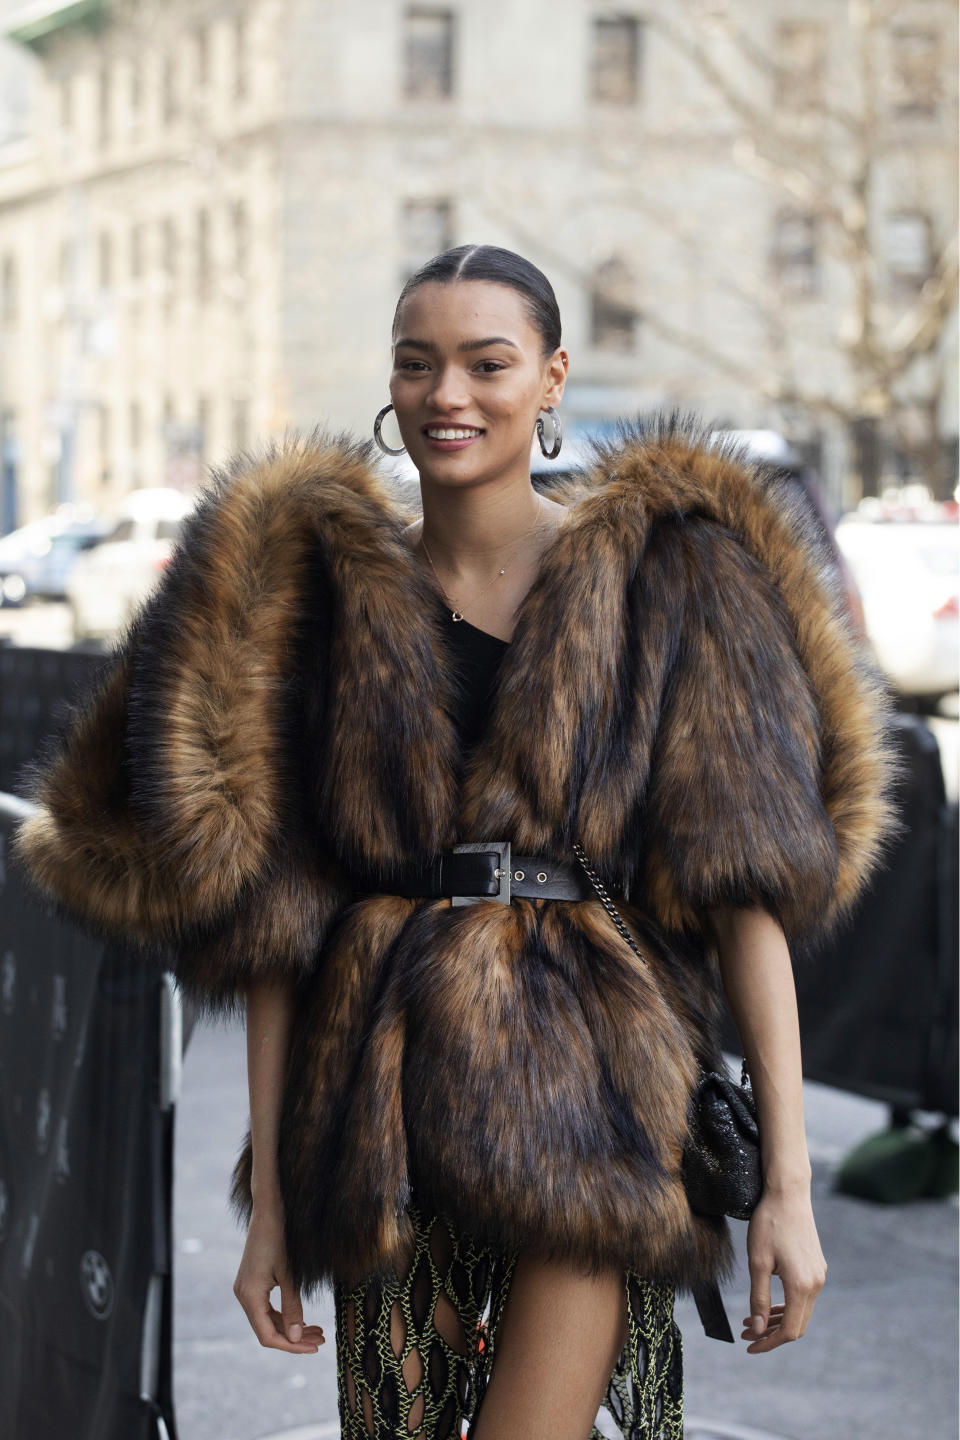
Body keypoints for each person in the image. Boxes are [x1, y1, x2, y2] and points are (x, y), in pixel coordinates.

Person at [11, 244, 899, 1440]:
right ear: (390, 383)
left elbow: (749, 897)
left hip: (597, 1100)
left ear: (551, 379)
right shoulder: (319, 603)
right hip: (380, 1108)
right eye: (418, 364)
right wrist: (271, 1203)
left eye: (488, 363)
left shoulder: (670, 576)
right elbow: (282, 932)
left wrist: (786, 1190)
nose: (449, 395)